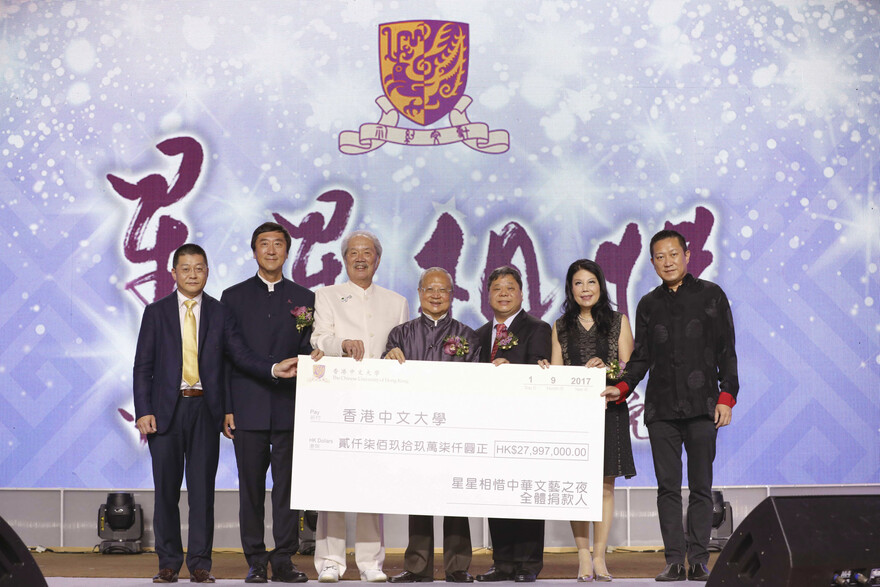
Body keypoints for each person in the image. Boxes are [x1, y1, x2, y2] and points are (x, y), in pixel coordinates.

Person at [133, 243, 299, 584]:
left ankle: (199, 564)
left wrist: (272, 368)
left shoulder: (220, 312)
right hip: (165, 413)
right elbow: (142, 367)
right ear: (173, 273)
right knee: (166, 491)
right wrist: (143, 410)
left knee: (202, 492)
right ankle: (167, 562)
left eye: (199, 268)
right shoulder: (156, 312)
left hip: (205, 411)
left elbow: (239, 355)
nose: (193, 274)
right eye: (186, 268)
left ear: (207, 272)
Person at [601, 230, 739, 582]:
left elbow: (727, 351)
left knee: (701, 487)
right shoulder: (648, 303)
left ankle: (699, 559)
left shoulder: (711, 295)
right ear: (652, 263)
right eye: (660, 257)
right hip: (661, 409)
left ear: (687, 255)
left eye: (673, 254)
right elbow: (641, 357)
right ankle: (675, 561)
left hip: (703, 406)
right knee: (667, 488)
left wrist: (727, 396)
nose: (667, 261)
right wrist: (622, 386)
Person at [221, 222, 322, 583]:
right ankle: (254, 560)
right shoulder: (232, 297)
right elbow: (230, 352)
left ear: (287, 251)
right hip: (247, 407)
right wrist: (228, 407)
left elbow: (308, 347)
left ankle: (283, 559)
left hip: (289, 408)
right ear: (253, 251)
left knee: (286, 490)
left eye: (278, 244)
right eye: (264, 244)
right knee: (250, 490)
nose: (271, 250)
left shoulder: (305, 298)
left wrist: (316, 352)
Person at [310, 230, 410, 583]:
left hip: (380, 403)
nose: (361, 257)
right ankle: (331, 561)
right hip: (336, 399)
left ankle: (371, 561)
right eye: (354, 252)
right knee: (332, 481)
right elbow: (318, 337)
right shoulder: (327, 295)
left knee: (373, 481)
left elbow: (403, 345)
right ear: (345, 258)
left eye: (368, 252)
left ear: (378, 259)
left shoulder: (396, 301)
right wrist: (341, 343)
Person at [385, 268, 481, 584]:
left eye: (443, 290)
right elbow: (386, 380)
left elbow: (480, 384)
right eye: (430, 289)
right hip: (414, 426)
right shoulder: (400, 334)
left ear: (452, 295)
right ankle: (417, 566)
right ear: (420, 292)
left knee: (455, 495)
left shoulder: (469, 336)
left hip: (454, 427)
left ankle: (457, 566)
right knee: (418, 496)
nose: (436, 295)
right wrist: (387, 357)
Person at [546, 259, 635, 583]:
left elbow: (630, 370)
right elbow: (555, 374)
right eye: (578, 283)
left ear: (601, 285)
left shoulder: (618, 321)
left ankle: (600, 556)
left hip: (609, 412)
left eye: (591, 282)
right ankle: (582, 556)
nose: (585, 289)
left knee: (605, 487)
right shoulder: (560, 326)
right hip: (572, 415)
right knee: (576, 487)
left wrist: (609, 369)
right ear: (571, 289)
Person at [473, 266, 551, 584]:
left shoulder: (538, 328)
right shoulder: (477, 335)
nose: (503, 293)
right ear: (487, 295)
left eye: (510, 288)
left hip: (526, 426)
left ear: (521, 293)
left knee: (526, 493)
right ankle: (502, 560)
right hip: (489, 426)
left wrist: (512, 368)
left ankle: (528, 563)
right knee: (498, 493)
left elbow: (540, 373)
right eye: (497, 288)